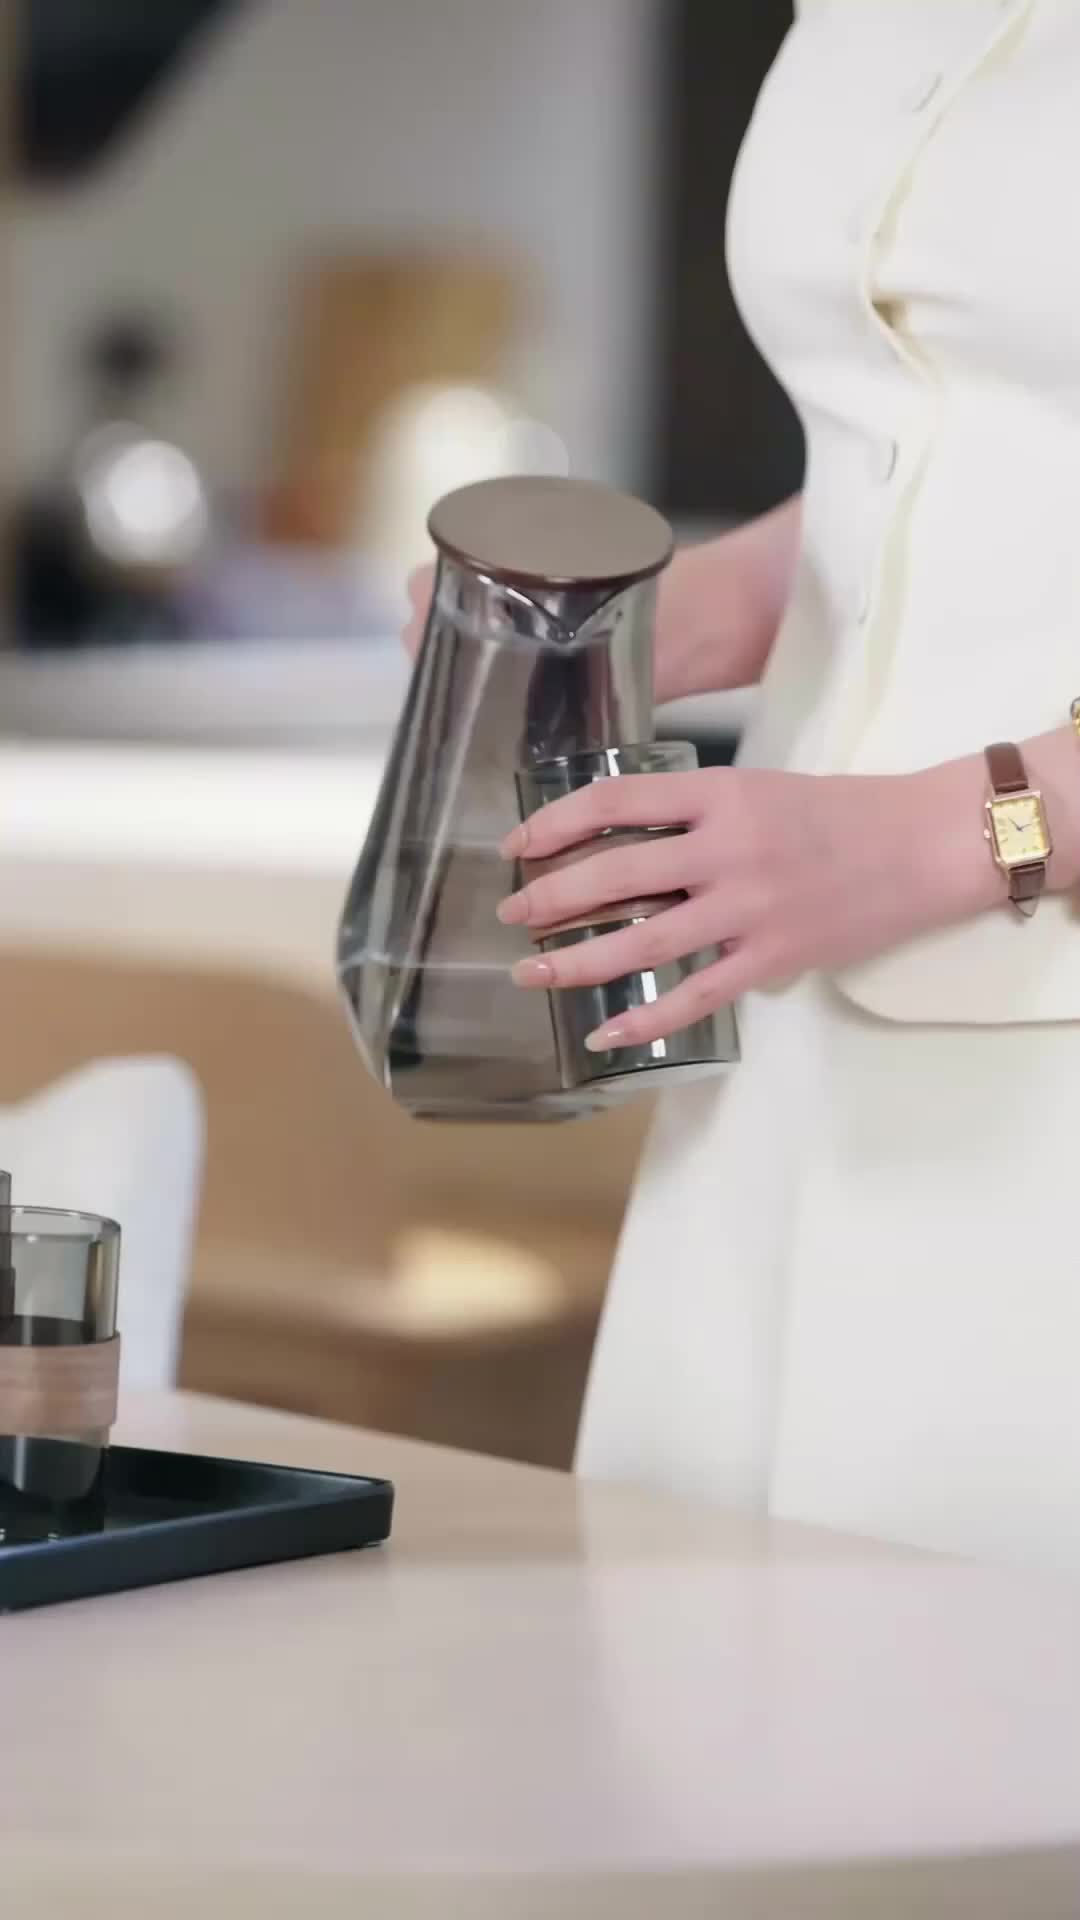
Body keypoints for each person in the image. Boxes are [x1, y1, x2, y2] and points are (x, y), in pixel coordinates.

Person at [407, 0, 1080, 1576]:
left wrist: (956, 830)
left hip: (1027, 1031)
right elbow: (942, 429)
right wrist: (711, 603)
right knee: (704, 1660)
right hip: (782, 1021)